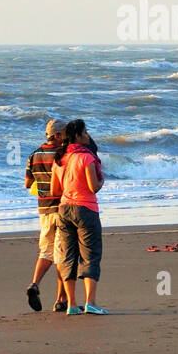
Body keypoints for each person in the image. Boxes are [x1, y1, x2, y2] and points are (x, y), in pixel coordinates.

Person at [49, 119, 106, 315]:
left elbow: (54, 190)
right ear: (78, 136)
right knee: (90, 255)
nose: (87, 135)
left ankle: (71, 304)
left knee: (68, 256)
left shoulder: (59, 159)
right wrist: (101, 180)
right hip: (86, 208)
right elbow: (93, 187)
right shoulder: (86, 157)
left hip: (64, 209)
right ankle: (90, 302)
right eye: (85, 132)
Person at [23, 118, 64, 312]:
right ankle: (60, 299)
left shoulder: (34, 155)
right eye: (64, 134)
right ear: (56, 135)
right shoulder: (62, 154)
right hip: (63, 207)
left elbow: (27, 183)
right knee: (62, 254)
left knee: (46, 250)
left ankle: (34, 283)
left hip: (44, 209)